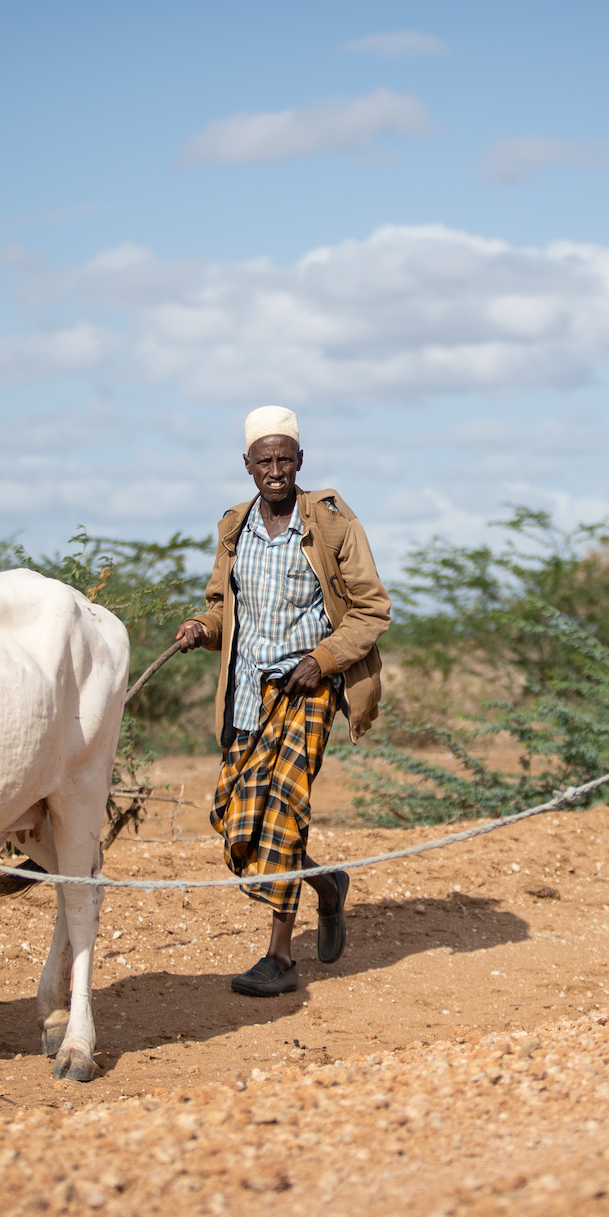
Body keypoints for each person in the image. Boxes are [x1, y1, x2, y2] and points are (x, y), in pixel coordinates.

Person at [173, 406, 391, 997]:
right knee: (236, 822)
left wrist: (321, 660)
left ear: (300, 462)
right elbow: (223, 607)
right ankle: (325, 885)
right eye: (264, 460)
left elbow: (373, 610)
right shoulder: (233, 529)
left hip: (308, 690)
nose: (275, 470)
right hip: (246, 695)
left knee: (284, 816)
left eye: (285, 459)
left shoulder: (331, 524)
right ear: (247, 466)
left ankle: (280, 958)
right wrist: (201, 625)